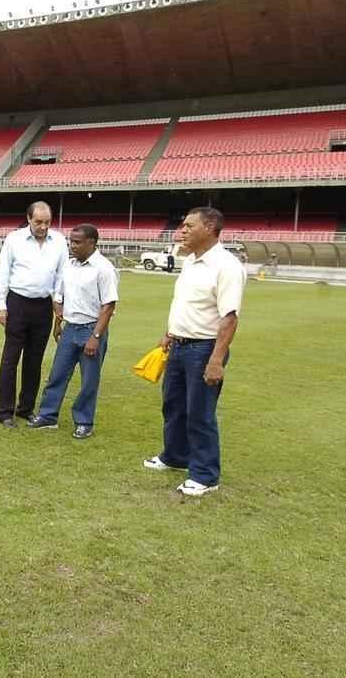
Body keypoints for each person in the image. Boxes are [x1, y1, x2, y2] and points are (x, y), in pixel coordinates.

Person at [143, 207, 246, 497]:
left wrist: (216, 359)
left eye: (189, 226)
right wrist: (169, 333)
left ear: (210, 227)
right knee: (173, 406)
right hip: (179, 344)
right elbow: (186, 303)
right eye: (182, 225)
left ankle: (204, 474)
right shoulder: (190, 262)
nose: (182, 230)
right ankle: (174, 456)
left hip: (204, 349)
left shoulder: (227, 266)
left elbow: (230, 317)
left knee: (200, 413)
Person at [28, 223, 118, 438]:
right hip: (69, 329)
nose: (72, 246)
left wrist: (96, 337)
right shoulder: (69, 265)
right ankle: (48, 416)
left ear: (91, 243)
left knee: (89, 380)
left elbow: (109, 305)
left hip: (91, 329)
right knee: (57, 375)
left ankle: (84, 421)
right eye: (71, 241)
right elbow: (59, 297)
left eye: (77, 242)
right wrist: (58, 323)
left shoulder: (104, 268)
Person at [0, 201, 66, 428]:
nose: (43, 227)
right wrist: (1, 305)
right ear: (28, 219)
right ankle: (5, 411)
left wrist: (58, 302)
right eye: (38, 222)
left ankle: (26, 408)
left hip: (43, 306)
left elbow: (61, 275)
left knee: (34, 361)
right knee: (10, 359)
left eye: (47, 222)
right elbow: (2, 273)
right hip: (17, 303)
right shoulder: (14, 240)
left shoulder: (59, 241)